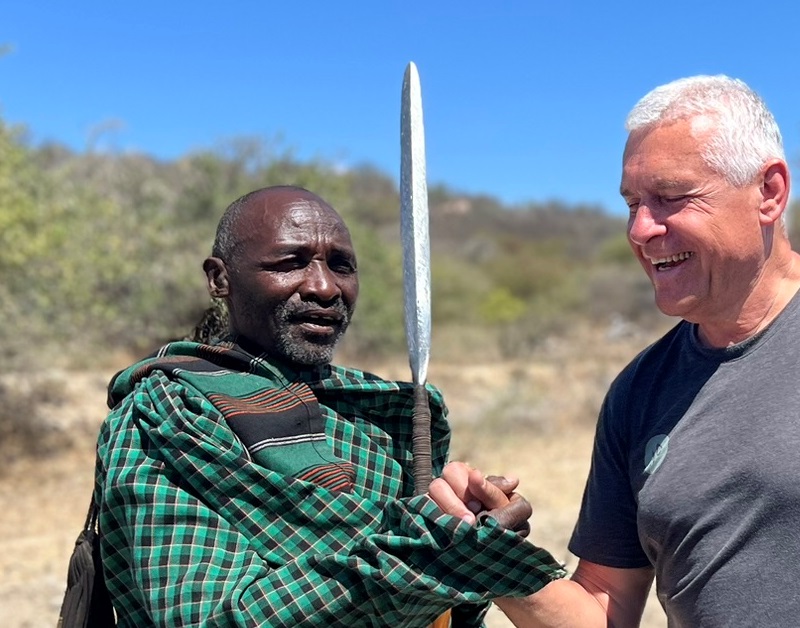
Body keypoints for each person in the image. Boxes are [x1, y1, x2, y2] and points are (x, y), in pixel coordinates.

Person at [435, 75, 800, 626]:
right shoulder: (639, 390)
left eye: (671, 198)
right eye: (632, 203)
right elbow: (604, 608)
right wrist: (492, 559)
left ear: (769, 193)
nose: (641, 229)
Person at [94, 185, 564, 627]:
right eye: (290, 262)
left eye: (341, 266)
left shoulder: (381, 417)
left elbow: (428, 599)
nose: (323, 287)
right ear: (220, 279)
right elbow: (207, 617)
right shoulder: (167, 413)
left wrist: (470, 532)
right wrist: (434, 557)